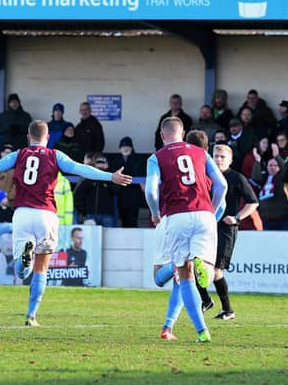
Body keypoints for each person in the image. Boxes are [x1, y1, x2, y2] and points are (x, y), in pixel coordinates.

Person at [0, 120, 132, 326]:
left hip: (22, 213)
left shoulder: (19, 154)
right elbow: (81, 169)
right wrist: (110, 176)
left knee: (22, 271)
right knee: (42, 268)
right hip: (46, 215)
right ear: (48, 138)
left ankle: (26, 259)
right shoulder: (55, 155)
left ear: (28, 137)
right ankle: (31, 315)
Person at [144, 117, 227, 343]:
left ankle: (202, 331)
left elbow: (151, 191)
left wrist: (153, 212)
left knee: (180, 274)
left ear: (162, 135)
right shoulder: (201, 153)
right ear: (183, 132)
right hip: (205, 215)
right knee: (203, 273)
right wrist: (212, 210)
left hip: (176, 215)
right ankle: (187, 328)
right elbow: (222, 185)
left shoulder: (156, 157)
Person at [198, 144, 259, 320]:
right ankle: (206, 300)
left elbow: (253, 202)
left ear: (230, 160)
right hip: (207, 228)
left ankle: (228, 310)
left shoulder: (236, 178)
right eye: (216, 156)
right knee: (197, 266)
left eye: (222, 156)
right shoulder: (205, 176)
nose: (218, 159)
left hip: (226, 230)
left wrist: (237, 218)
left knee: (217, 272)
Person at [110, 136, 145, 228]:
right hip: (120, 195)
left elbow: (138, 173)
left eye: (128, 146)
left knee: (132, 220)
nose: (125, 148)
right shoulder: (115, 160)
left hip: (134, 195)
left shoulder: (138, 160)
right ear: (120, 148)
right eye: (123, 146)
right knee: (123, 219)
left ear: (132, 147)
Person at [251, 152, 288, 230]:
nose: (273, 167)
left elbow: (286, 170)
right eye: (270, 165)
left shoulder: (283, 178)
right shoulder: (263, 179)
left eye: (275, 165)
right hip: (266, 219)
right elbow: (255, 177)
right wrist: (257, 162)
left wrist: (277, 157)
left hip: (282, 219)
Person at [73, 154, 116, 227]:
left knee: (109, 237)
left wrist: (106, 180)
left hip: (107, 215)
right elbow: (77, 195)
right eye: (98, 163)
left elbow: (117, 190)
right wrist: (85, 211)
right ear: (94, 164)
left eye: (102, 163)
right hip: (91, 215)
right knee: (90, 237)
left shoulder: (111, 177)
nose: (100, 165)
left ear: (107, 165)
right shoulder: (88, 178)